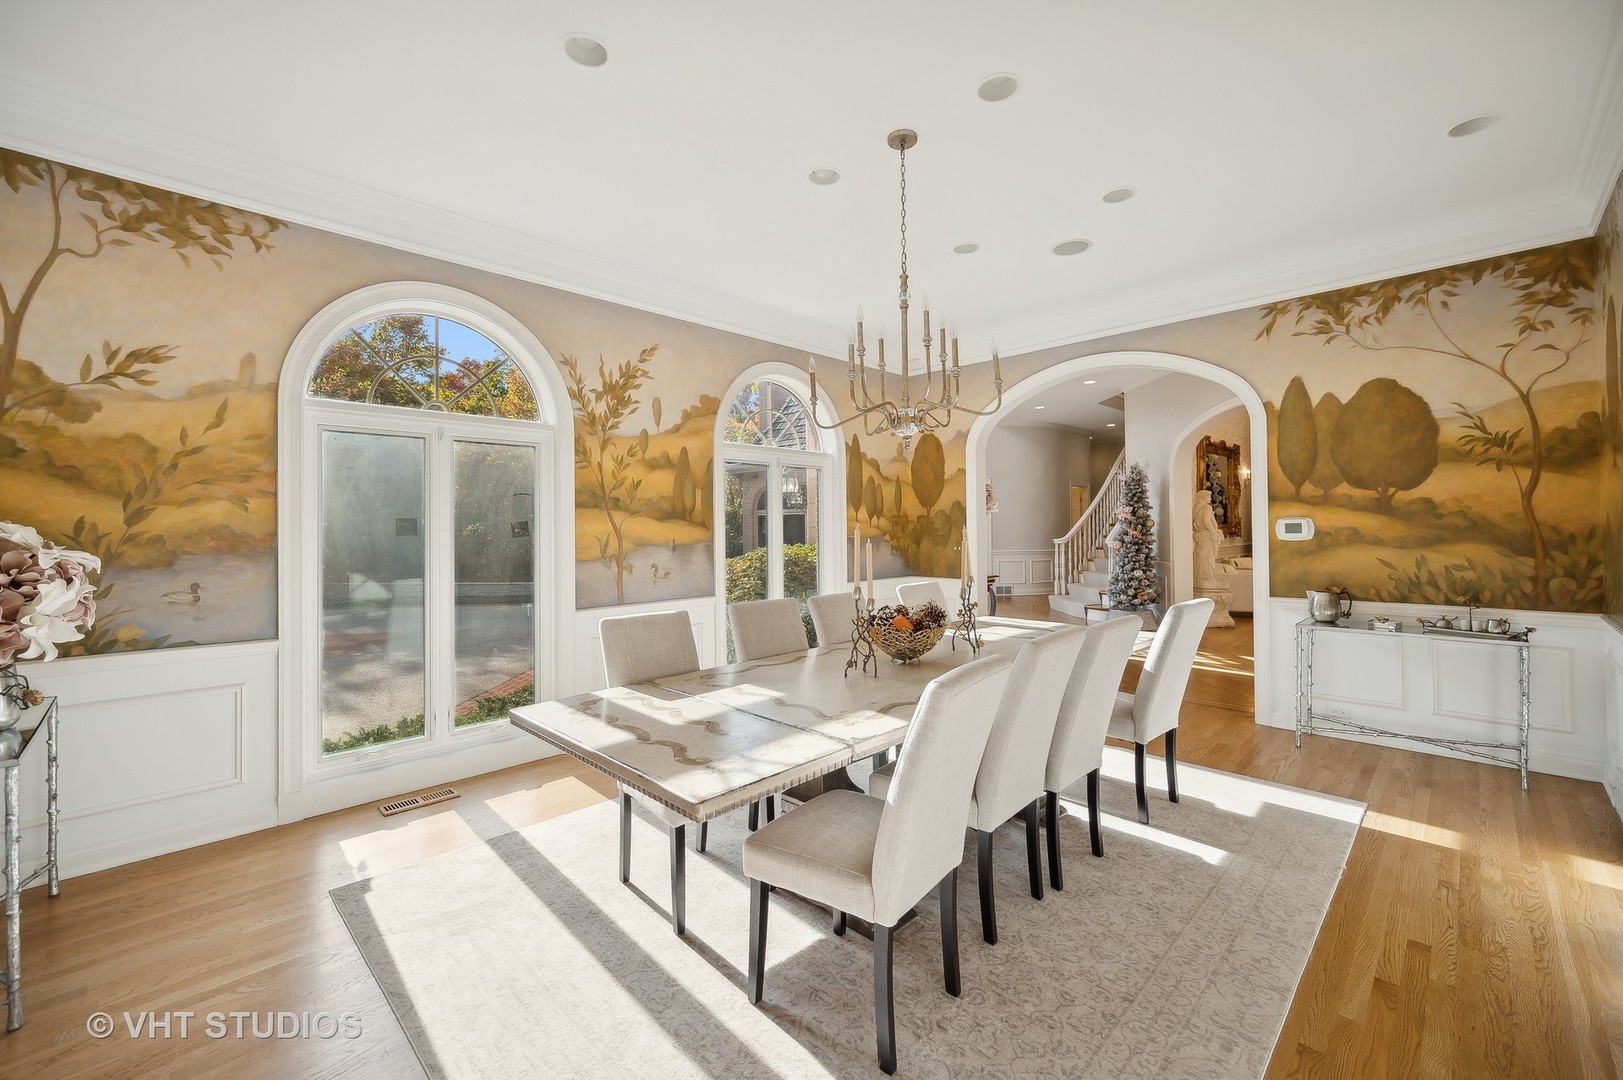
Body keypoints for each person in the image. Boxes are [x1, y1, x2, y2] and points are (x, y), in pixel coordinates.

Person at [1192, 489, 1224, 589]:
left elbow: (1194, 525)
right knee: (1207, 558)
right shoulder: (1207, 507)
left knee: (1202, 559)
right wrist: (1214, 532)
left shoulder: (1197, 509)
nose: (1210, 498)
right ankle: (1207, 578)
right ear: (1204, 497)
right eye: (1209, 496)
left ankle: (1202, 579)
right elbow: (1207, 521)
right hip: (1207, 537)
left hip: (1200, 536)